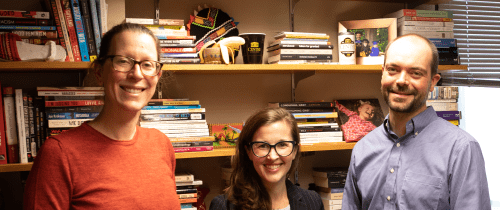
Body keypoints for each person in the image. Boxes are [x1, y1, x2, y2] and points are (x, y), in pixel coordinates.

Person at [23, 23, 181, 209]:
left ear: (157, 75)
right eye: (123, 61)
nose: (137, 74)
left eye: (147, 64)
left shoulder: (161, 144)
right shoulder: (59, 154)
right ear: (99, 72)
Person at [341, 34, 491, 210]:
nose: (402, 81)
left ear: (433, 82)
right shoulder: (363, 148)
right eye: (393, 70)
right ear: (382, 74)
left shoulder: (461, 149)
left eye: (416, 73)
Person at [209, 107, 324, 210]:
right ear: (248, 151)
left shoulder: (313, 202)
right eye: (263, 146)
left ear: (294, 151)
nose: (272, 157)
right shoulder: (223, 206)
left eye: (282, 144)